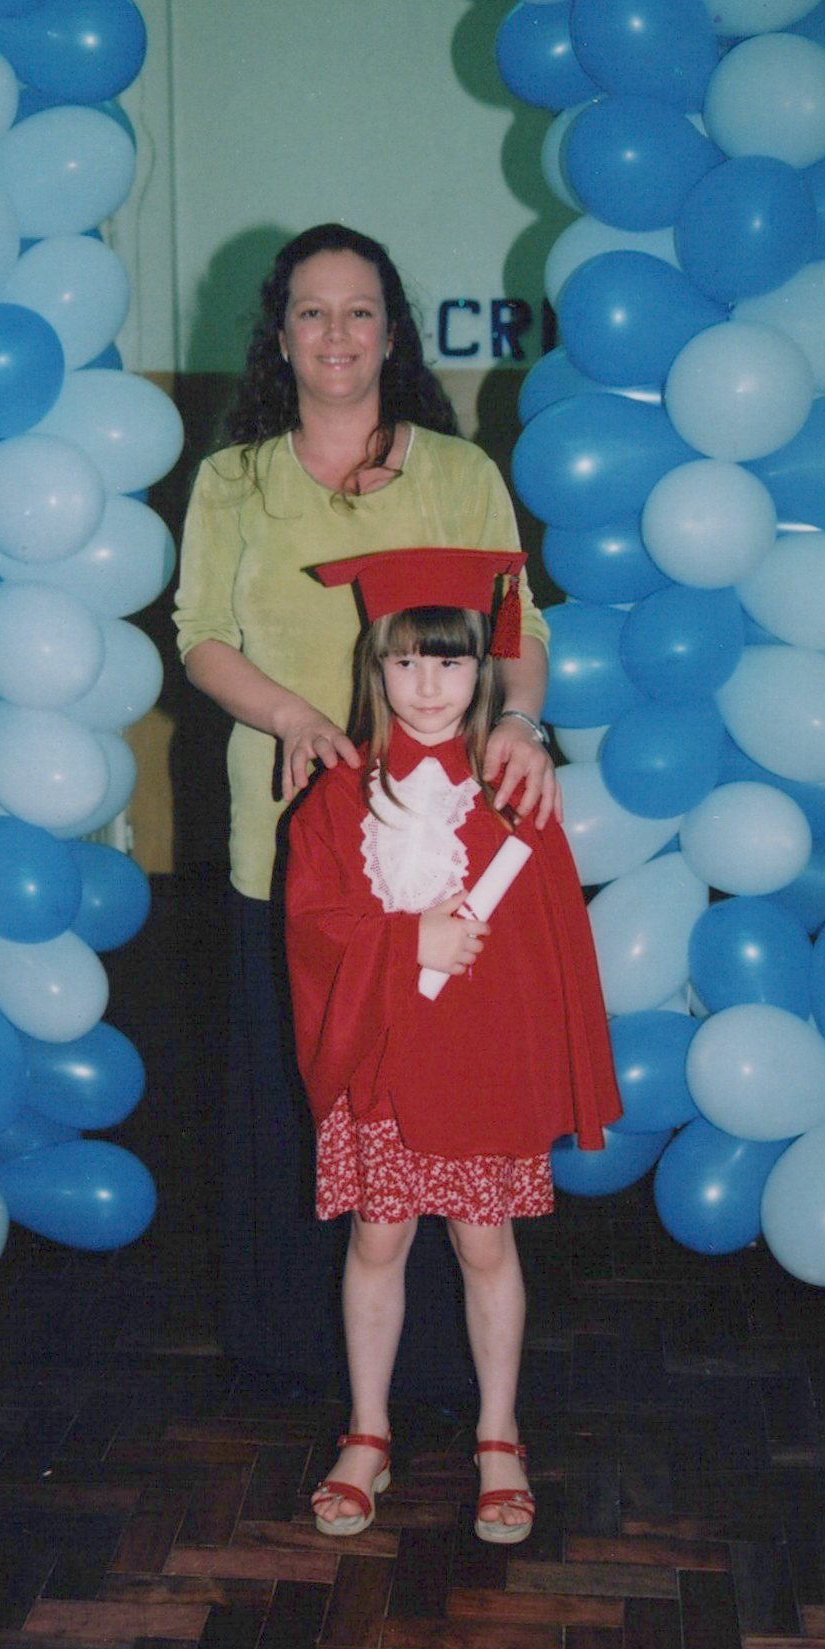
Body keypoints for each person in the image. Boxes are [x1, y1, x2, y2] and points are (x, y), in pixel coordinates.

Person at [173, 223, 557, 1388]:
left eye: (358, 311)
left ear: (392, 334)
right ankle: (304, 1358)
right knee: (303, 1096)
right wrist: (292, 717)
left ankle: (439, 1367)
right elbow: (201, 636)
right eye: (311, 311)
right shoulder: (233, 480)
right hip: (293, 849)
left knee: (437, 1101)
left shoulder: (459, 473)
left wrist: (519, 721)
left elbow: (517, 626)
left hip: (449, 862)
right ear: (279, 335)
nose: (334, 333)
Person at [285, 545, 621, 1539]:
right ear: (373, 666)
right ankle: (368, 1430)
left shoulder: (515, 791)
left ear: (484, 668)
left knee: (485, 1242)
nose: (427, 685)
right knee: (376, 1237)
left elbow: (550, 947)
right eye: (404, 661)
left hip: (480, 1068)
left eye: (451, 661)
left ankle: (499, 1434)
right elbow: (311, 926)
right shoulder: (337, 796)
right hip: (380, 1066)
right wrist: (405, 943)